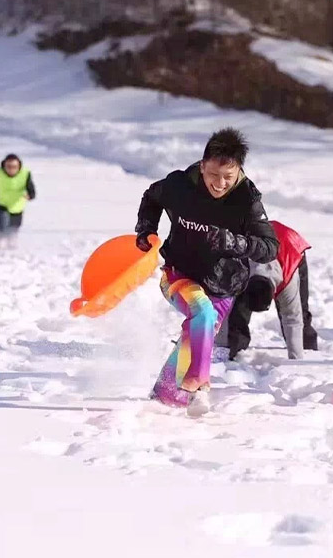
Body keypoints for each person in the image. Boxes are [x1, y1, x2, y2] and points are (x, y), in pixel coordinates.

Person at [135, 128, 278, 410]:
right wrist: (146, 231)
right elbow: (151, 198)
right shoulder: (179, 186)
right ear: (202, 166)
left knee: (197, 334)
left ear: (239, 171)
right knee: (202, 313)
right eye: (213, 175)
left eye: (229, 176)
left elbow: (269, 247)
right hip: (179, 274)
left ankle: (165, 397)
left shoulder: (247, 200)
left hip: (225, 287)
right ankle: (200, 384)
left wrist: (233, 242)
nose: (220, 183)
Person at [216, 220, 318, 360]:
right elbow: (224, 308)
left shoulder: (288, 278)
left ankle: (308, 349)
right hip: (255, 245)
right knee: (236, 313)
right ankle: (233, 351)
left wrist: (296, 360)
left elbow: (292, 318)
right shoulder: (238, 269)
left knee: (300, 312)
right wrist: (219, 348)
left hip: (290, 246)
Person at [0, 154, 36, 250]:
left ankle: (12, 242)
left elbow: (31, 189)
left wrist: (30, 196)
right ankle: (1, 240)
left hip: (17, 206)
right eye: (8, 166)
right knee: (4, 221)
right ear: (4, 166)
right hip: (2, 204)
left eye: (14, 167)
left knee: (14, 226)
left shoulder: (25, 174)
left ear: (19, 167)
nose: (11, 169)